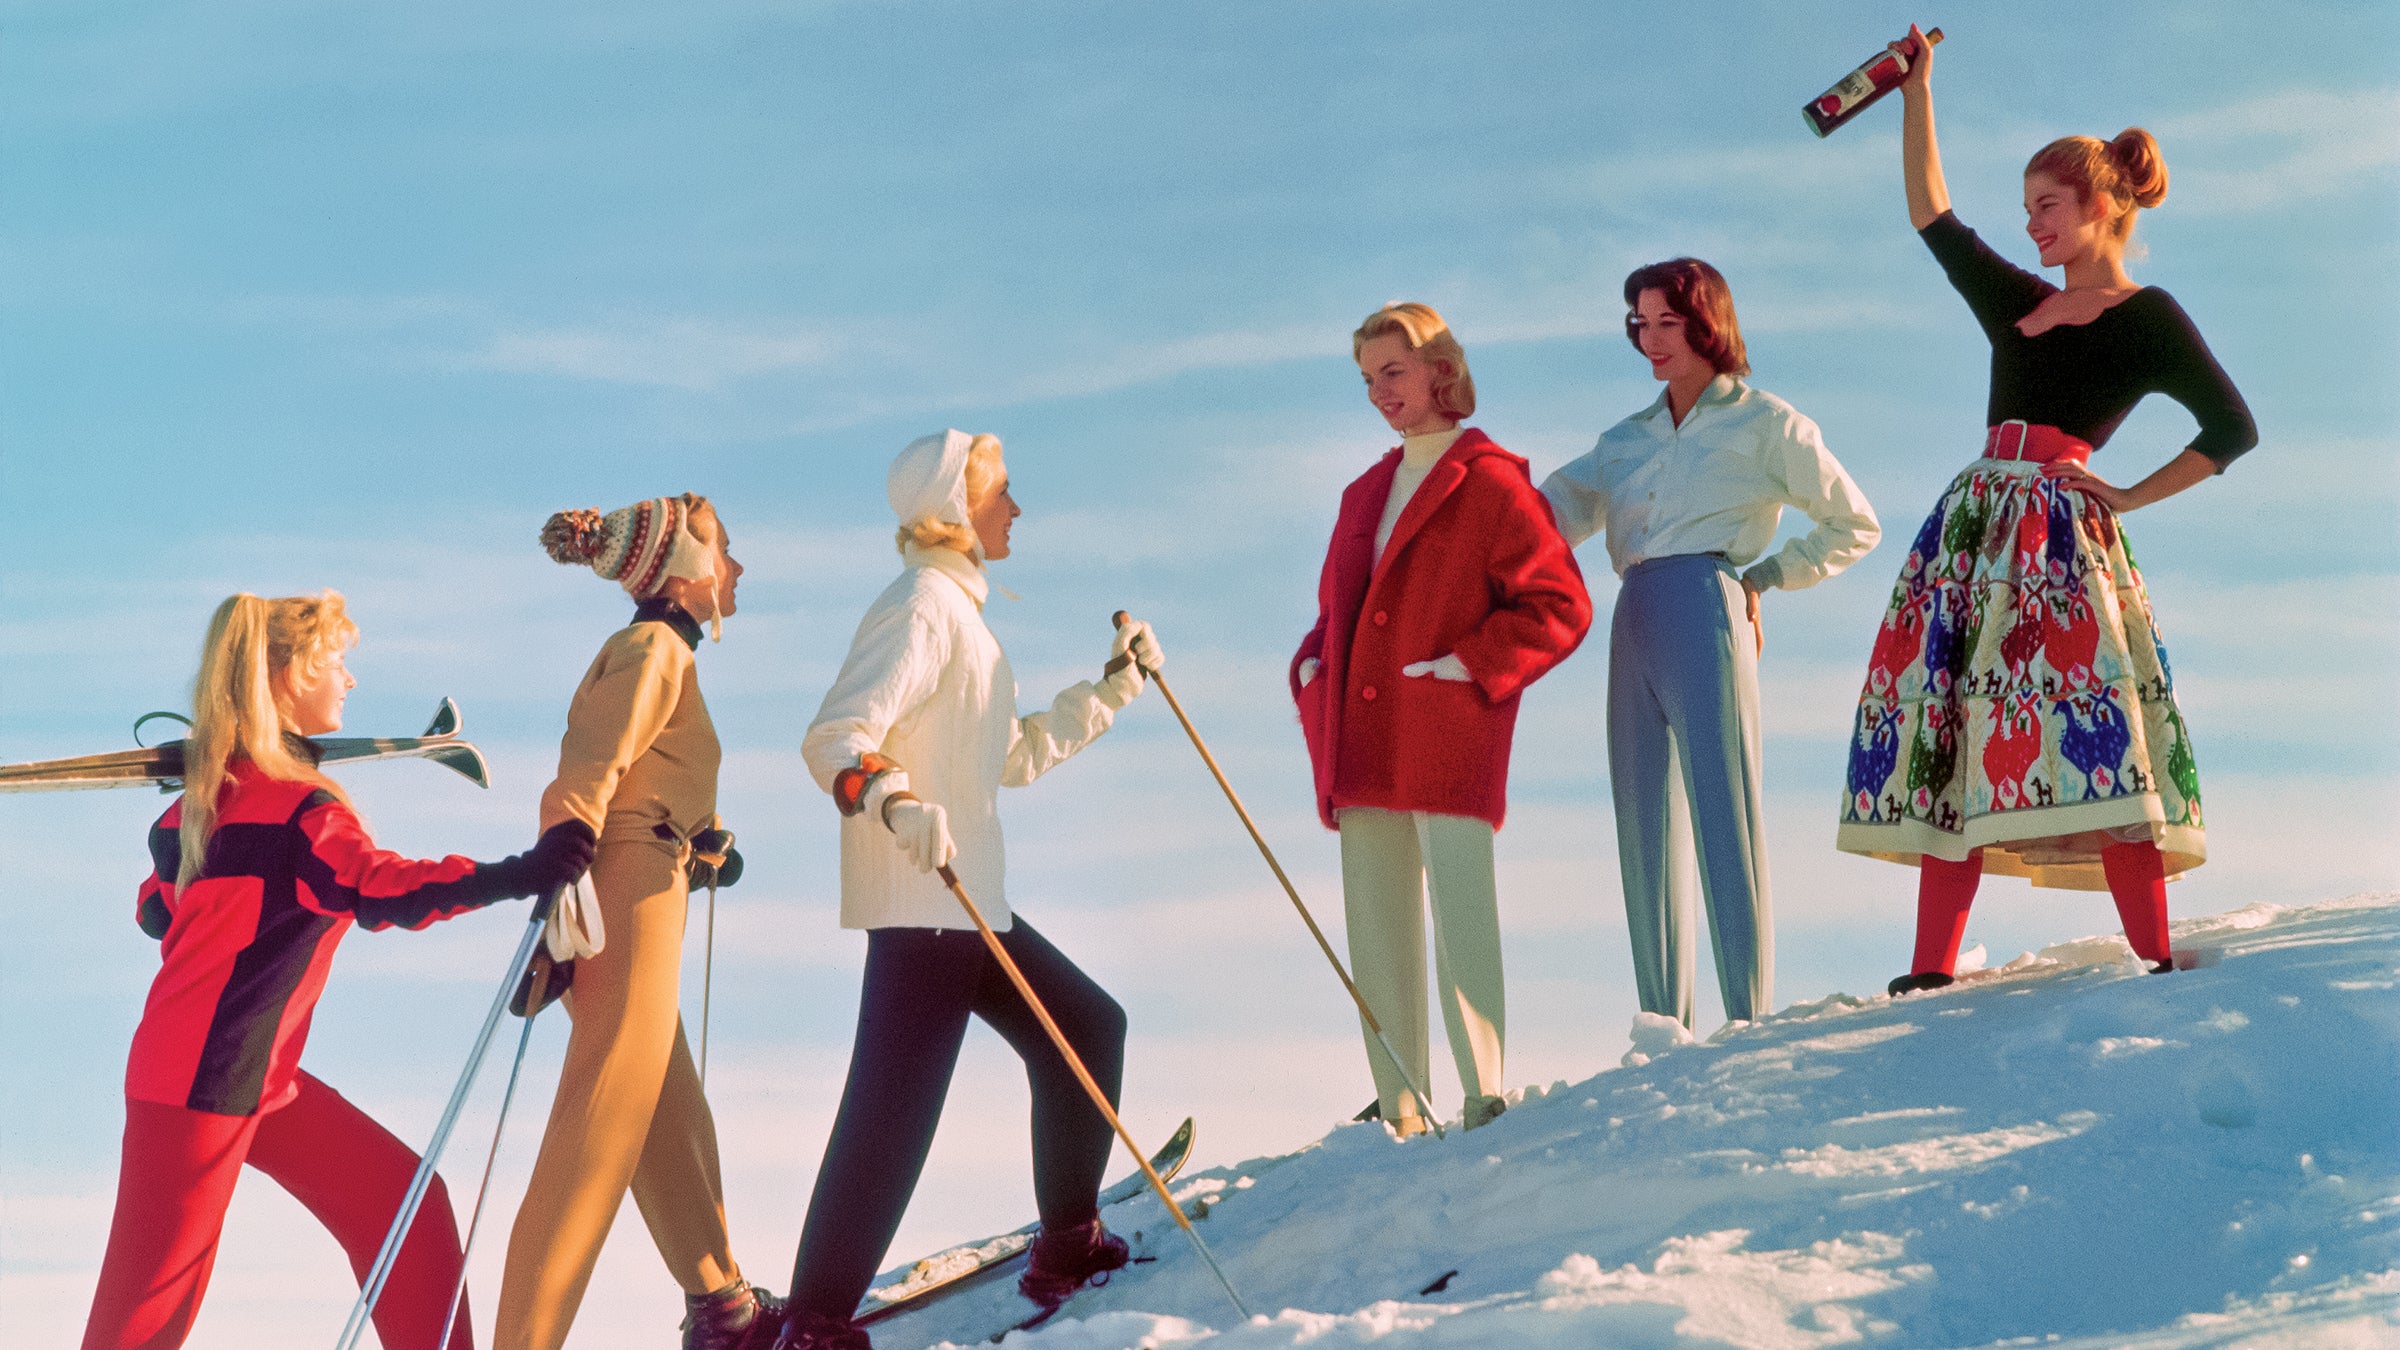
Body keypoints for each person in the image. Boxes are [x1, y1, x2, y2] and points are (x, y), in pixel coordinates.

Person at [1845, 27, 2257, 995]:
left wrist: (2124, 494)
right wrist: (1915, 95)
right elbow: (1932, 215)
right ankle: (1928, 969)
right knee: (1949, 720)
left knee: (2093, 722)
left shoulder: (2147, 317)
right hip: (1972, 533)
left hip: (2062, 542)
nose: (2031, 226)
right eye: (2026, 209)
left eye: (2047, 207)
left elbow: (2231, 428)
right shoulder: (2017, 305)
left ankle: (2156, 956)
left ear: (2104, 205)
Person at [83, 591, 593, 1350]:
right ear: (290, 675)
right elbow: (380, 887)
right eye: (339, 663)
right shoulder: (300, 809)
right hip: (200, 1088)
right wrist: (521, 872)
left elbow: (154, 910)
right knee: (146, 1321)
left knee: (405, 1208)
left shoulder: (195, 809)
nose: (349, 682)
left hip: (254, 1076)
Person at [774, 430, 1160, 1350]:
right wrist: (894, 801)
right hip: (923, 903)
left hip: (968, 902)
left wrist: (1117, 687)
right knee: (890, 1119)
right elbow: (835, 736)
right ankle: (815, 1327)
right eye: (1004, 492)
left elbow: (1010, 757)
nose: (1017, 507)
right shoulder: (920, 607)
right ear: (956, 510)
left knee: (1085, 1030)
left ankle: (1066, 1244)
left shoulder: (963, 616)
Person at [1543, 260, 1879, 1030]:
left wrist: (1766, 578)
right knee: (1641, 819)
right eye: (1641, 324)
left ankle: (1748, 1018)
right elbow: (1542, 517)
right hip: (1634, 613)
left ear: (1707, 323)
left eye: (1668, 322)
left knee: (1725, 809)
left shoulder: (1765, 422)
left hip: (1709, 602)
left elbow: (1853, 522)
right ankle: (1662, 1024)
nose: (1652, 340)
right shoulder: (1624, 440)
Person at [1293, 303, 1591, 1137]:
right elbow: (1334, 609)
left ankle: (1483, 1094)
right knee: (1377, 931)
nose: (1379, 393)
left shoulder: (1492, 481)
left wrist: (1468, 667)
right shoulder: (1364, 491)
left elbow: (1560, 605)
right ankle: (1399, 1109)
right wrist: (1312, 663)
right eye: (1366, 380)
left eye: (1392, 372)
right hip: (1360, 735)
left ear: (1440, 370)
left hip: (1444, 728)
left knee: (1462, 921)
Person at [495, 495, 776, 1350]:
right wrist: (566, 839)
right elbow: (593, 757)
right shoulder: (653, 648)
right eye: (727, 551)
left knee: (660, 1111)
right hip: (627, 882)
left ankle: (722, 1303)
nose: (738, 569)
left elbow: (640, 769)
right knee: (601, 1125)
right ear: (688, 570)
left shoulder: (663, 654)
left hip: (647, 873)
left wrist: (702, 841)